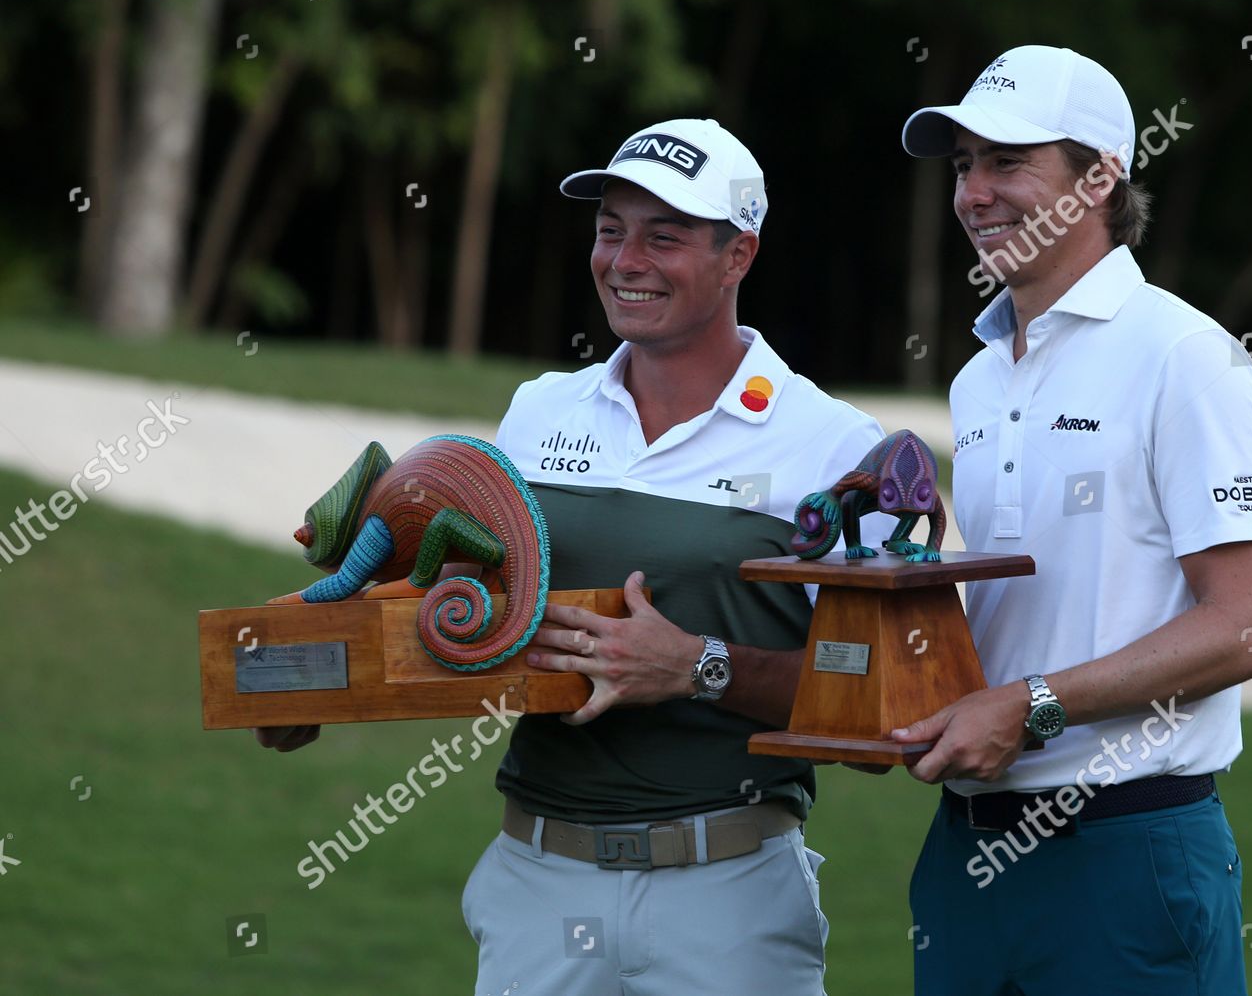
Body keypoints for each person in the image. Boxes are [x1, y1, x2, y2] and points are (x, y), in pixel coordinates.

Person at [259, 118, 890, 996]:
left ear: (737, 255)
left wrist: (698, 667)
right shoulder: (539, 411)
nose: (624, 259)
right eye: (609, 230)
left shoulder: (833, 444)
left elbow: (884, 707)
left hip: (731, 895)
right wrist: (317, 678)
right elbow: (461, 607)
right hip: (539, 884)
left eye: (663, 236)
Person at [888, 45, 1252, 995]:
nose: (974, 193)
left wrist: (1032, 707)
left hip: (1130, 851)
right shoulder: (979, 379)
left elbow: (1248, 626)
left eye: (1007, 162)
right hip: (965, 856)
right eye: (963, 167)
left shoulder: (1187, 355)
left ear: (1102, 177)